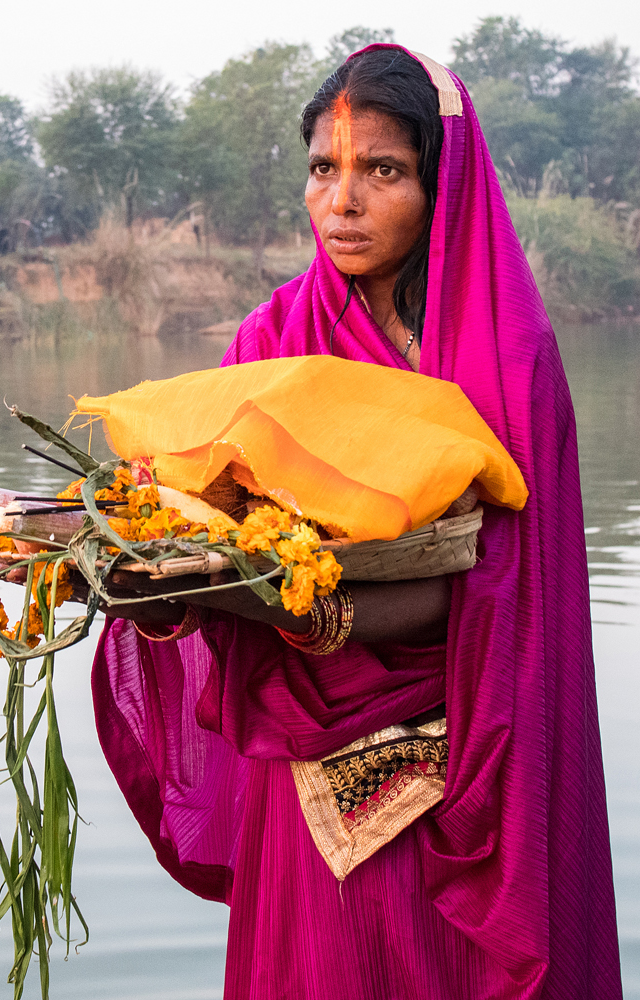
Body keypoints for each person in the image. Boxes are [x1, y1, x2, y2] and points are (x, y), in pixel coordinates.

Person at [90, 46, 621, 997]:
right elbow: (210, 525)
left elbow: (502, 589)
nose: (343, 202)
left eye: (383, 171)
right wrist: (148, 577)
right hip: (305, 774)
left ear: (442, 184)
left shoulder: (508, 359)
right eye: (324, 170)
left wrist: (295, 599)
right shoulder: (272, 343)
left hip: (471, 768)